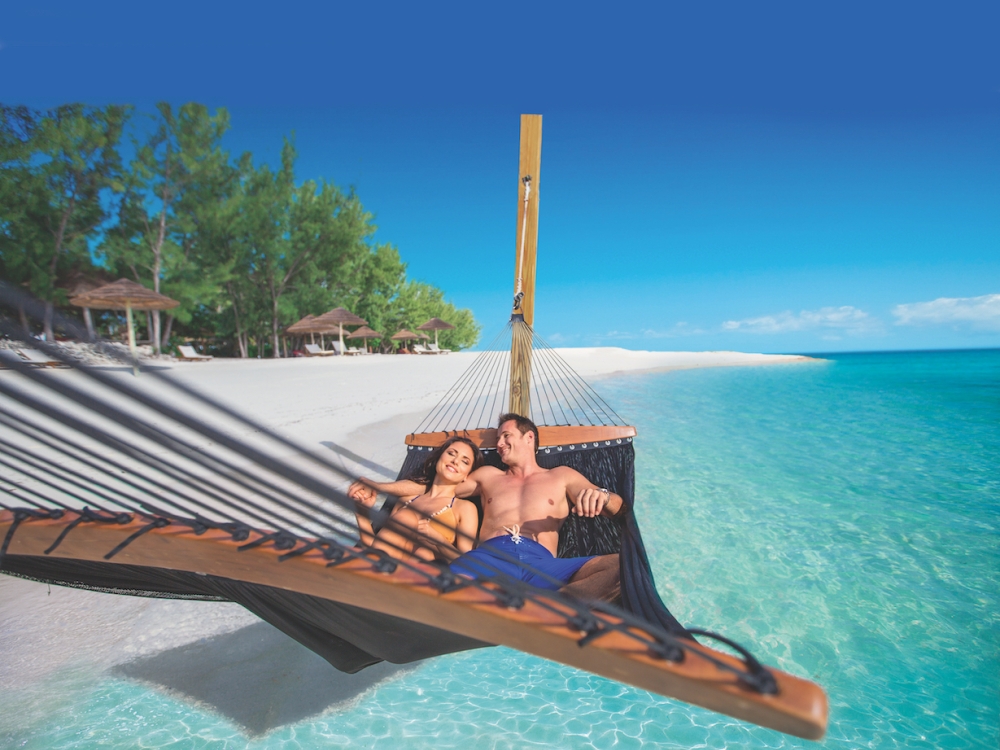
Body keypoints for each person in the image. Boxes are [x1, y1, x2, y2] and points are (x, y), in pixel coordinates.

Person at [350, 413, 624, 602]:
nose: (500, 444)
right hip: (488, 558)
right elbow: (437, 488)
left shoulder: (562, 476)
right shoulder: (489, 476)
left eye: (506, 436)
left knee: (622, 567)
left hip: (541, 563)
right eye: (497, 441)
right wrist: (380, 486)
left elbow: (619, 508)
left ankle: (555, 608)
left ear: (530, 438)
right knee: (451, 591)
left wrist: (602, 496)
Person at [350, 436, 481, 563]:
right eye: (451, 453)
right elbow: (376, 546)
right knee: (407, 516)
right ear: (439, 458)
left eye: (465, 461)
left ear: (467, 476)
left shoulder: (464, 508)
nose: (455, 461)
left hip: (425, 576)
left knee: (424, 552)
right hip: (386, 567)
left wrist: (437, 539)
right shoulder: (406, 500)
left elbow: (466, 562)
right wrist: (362, 513)